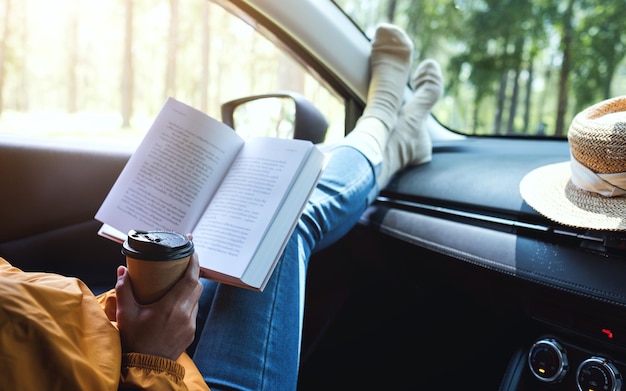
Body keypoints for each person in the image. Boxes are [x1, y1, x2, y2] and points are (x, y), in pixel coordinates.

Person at [0, 24, 443, 390]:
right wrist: (150, 359)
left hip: (122, 345)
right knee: (284, 224)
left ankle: (391, 137)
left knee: (269, 230)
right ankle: (384, 125)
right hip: (148, 369)